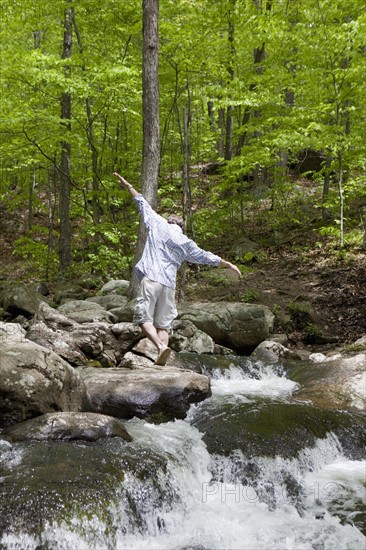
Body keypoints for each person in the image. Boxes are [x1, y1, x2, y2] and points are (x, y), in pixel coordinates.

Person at [113, 172, 241, 366]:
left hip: (152, 279)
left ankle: (160, 348)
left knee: (143, 319)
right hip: (168, 286)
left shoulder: (157, 223)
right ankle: (162, 359)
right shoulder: (186, 242)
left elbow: (141, 202)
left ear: (169, 221)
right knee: (163, 324)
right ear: (182, 226)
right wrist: (227, 264)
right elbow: (205, 256)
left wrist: (127, 184)